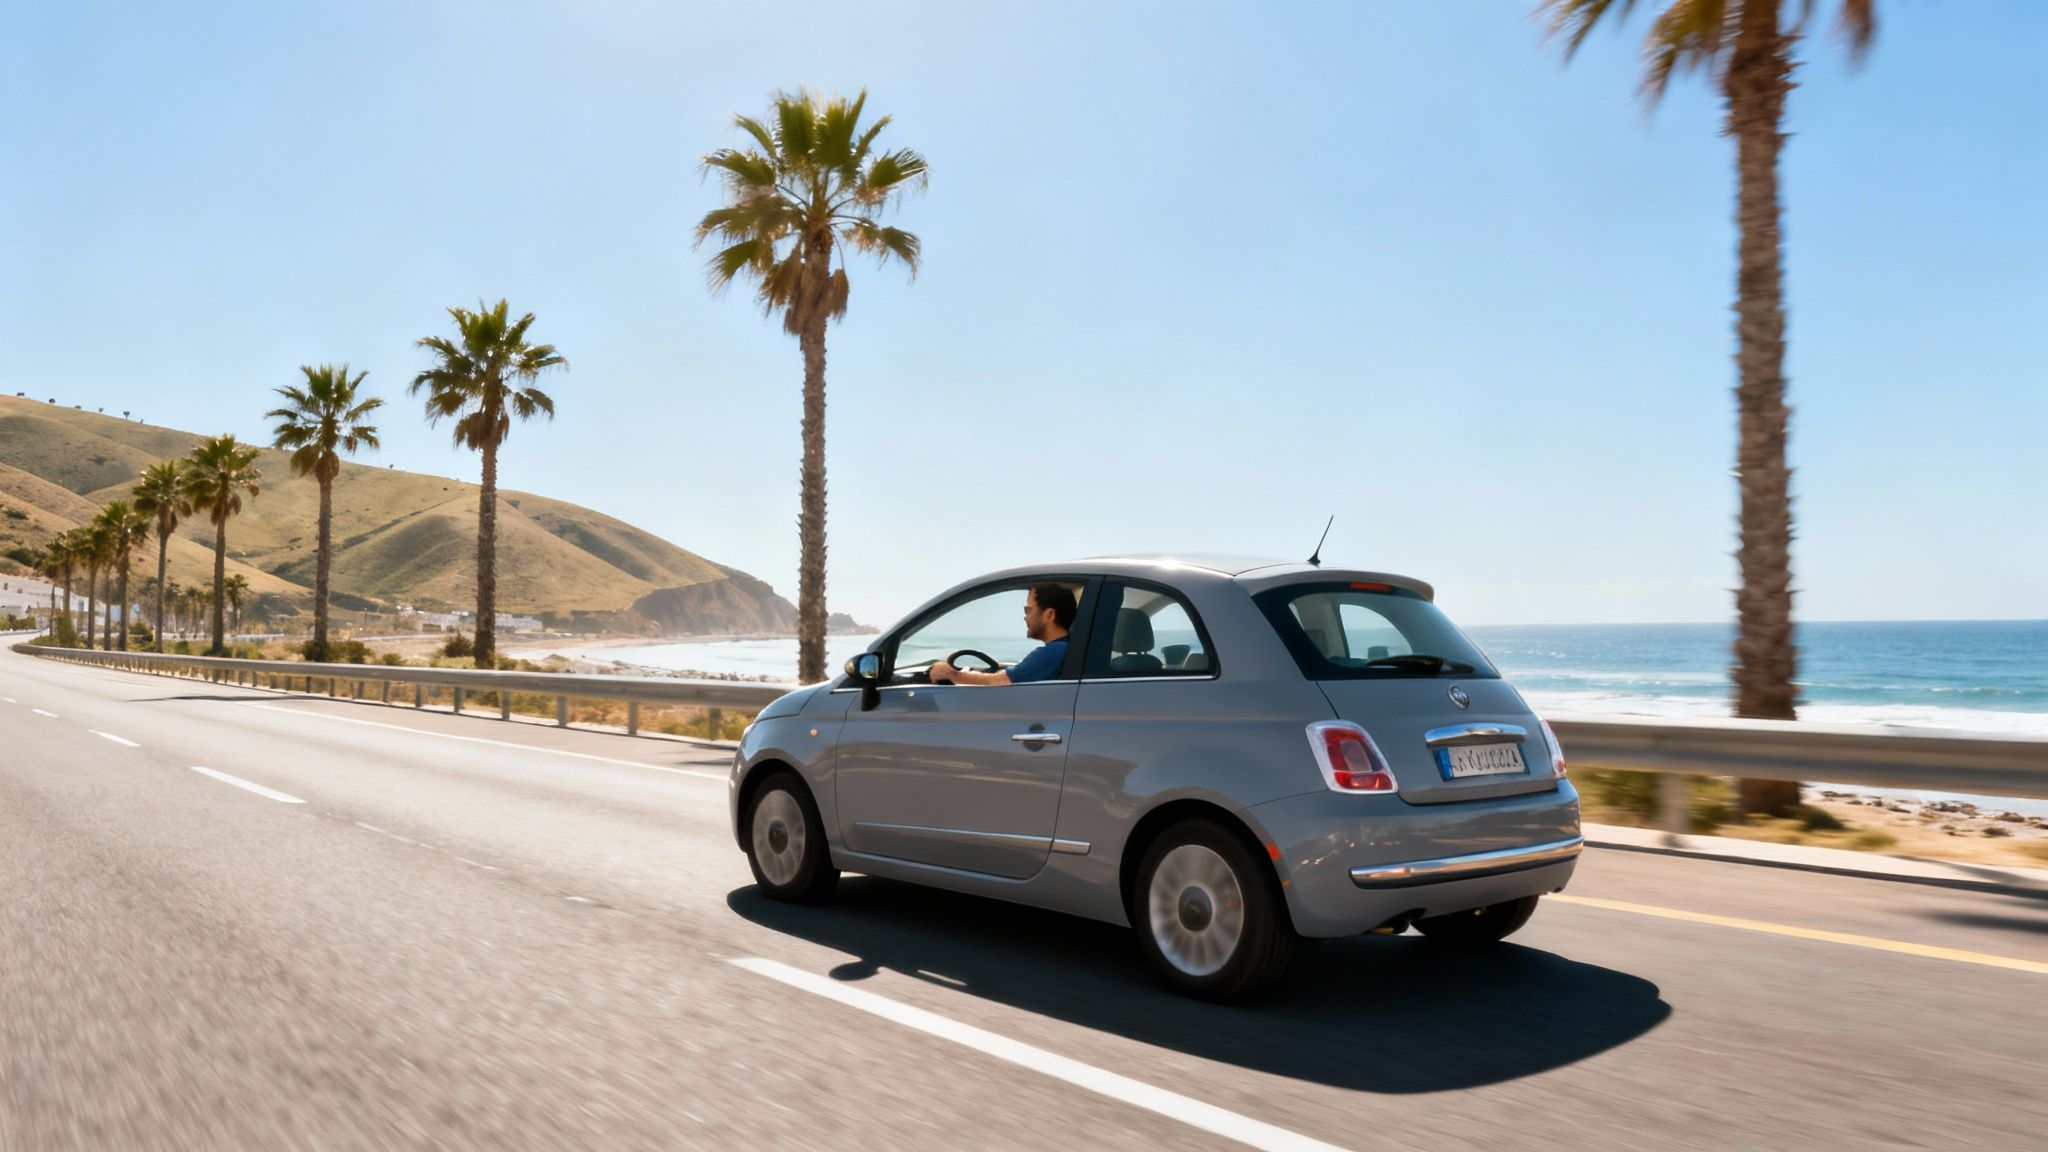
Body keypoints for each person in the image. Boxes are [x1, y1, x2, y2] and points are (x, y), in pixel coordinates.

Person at [928, 582, 1076, 685]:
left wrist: (952, 674)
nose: (1025, 617)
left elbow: (1000, 681)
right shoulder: (1066, 648)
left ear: (1049, 615)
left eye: (1028, 610)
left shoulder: (1051, 654)